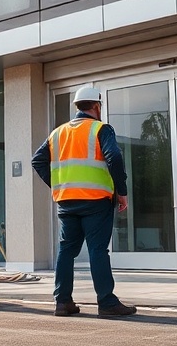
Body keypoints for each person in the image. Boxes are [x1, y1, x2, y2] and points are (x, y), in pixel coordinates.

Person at [32, 86, 136, 318]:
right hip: (95, 200)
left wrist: (58, 184)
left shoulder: (57, 133)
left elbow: (37, 160)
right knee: (97, 250)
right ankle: (107, 302)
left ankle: (62, 302)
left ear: (77, 106)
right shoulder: (101, 129)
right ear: (97, 106)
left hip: (67, 201)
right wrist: (121, 191)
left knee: (66, 251)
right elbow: (114, 156)